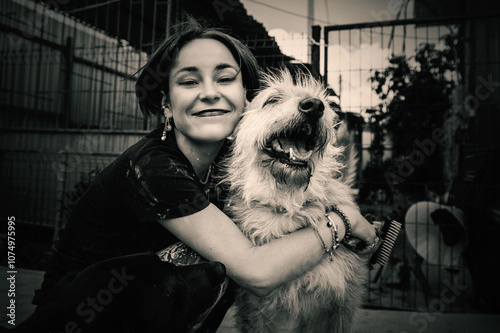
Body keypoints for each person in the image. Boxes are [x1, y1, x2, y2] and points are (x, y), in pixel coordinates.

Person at [33, 18, 380, 330]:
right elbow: (256, 271)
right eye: (188, 81)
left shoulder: (232, 166)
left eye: (226, 78)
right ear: (167, 105)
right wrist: (343, 219)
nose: (210, 92)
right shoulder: (153, 168)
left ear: (244, 102)